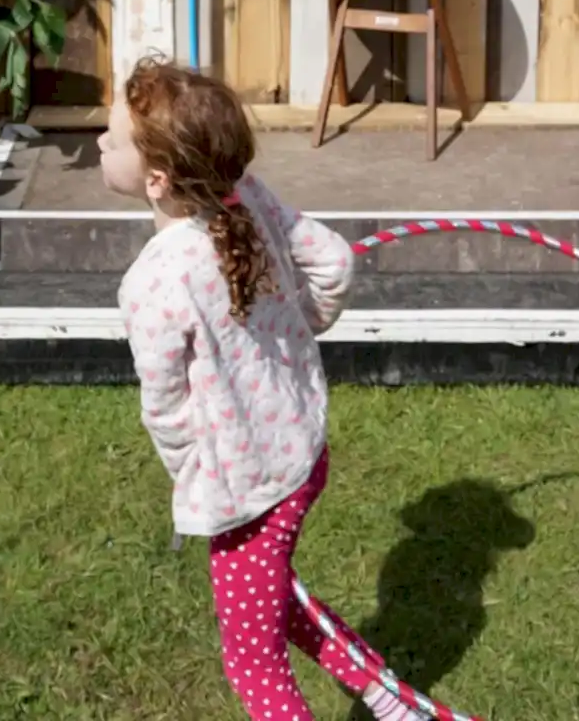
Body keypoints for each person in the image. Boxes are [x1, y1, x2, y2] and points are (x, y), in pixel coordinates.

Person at [98, 56, 425, 721]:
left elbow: (165, 409)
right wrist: (308, 324)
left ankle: (386, 699)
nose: (98, 145)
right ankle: (387, 699)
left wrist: (191, 483)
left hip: (246, 487)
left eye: (110, 138)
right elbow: (332, 260)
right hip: (302, 453)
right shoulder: (245, 191)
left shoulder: (154, 284)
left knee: (253, 661)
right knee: (274, 595)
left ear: (157, 179)